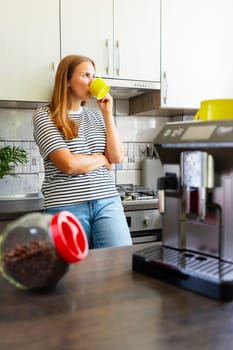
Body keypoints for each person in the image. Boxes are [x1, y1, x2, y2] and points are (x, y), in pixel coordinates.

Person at [33, 55, 132, 249]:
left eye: (94, 76)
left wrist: (107, 113)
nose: (93, 82)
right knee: (73, 275)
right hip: (66, 206)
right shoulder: (45, 115)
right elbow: (68, 164)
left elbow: (117, 157)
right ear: (67, 81)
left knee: (120, 265)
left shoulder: (97, 116)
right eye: (86, 75)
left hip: (107, 201)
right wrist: (103, 159)